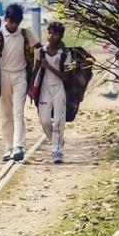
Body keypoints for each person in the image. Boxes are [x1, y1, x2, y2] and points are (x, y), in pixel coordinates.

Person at [0, 4, 41, 162]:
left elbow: (39, 47)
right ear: (5, 20)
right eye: (11, 22)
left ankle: (19, 146)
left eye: (16, 22)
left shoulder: (25, 34)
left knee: (18, 111)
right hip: (3, 75)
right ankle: (8, 147)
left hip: (21, 76)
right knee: (6, 113)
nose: (13, 25)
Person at [37, 21, 72, 164]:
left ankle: (57, 152)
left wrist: (49, 67)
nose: (51, 36)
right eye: (49, 32)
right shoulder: (42, 51)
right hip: (45, 88)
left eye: (55, 34)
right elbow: (36, 72)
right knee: (44, 121)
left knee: (58, 122)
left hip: (58, 88)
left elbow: (66, 76)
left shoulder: (64, 53)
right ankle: (56, 142)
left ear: (60, 36)